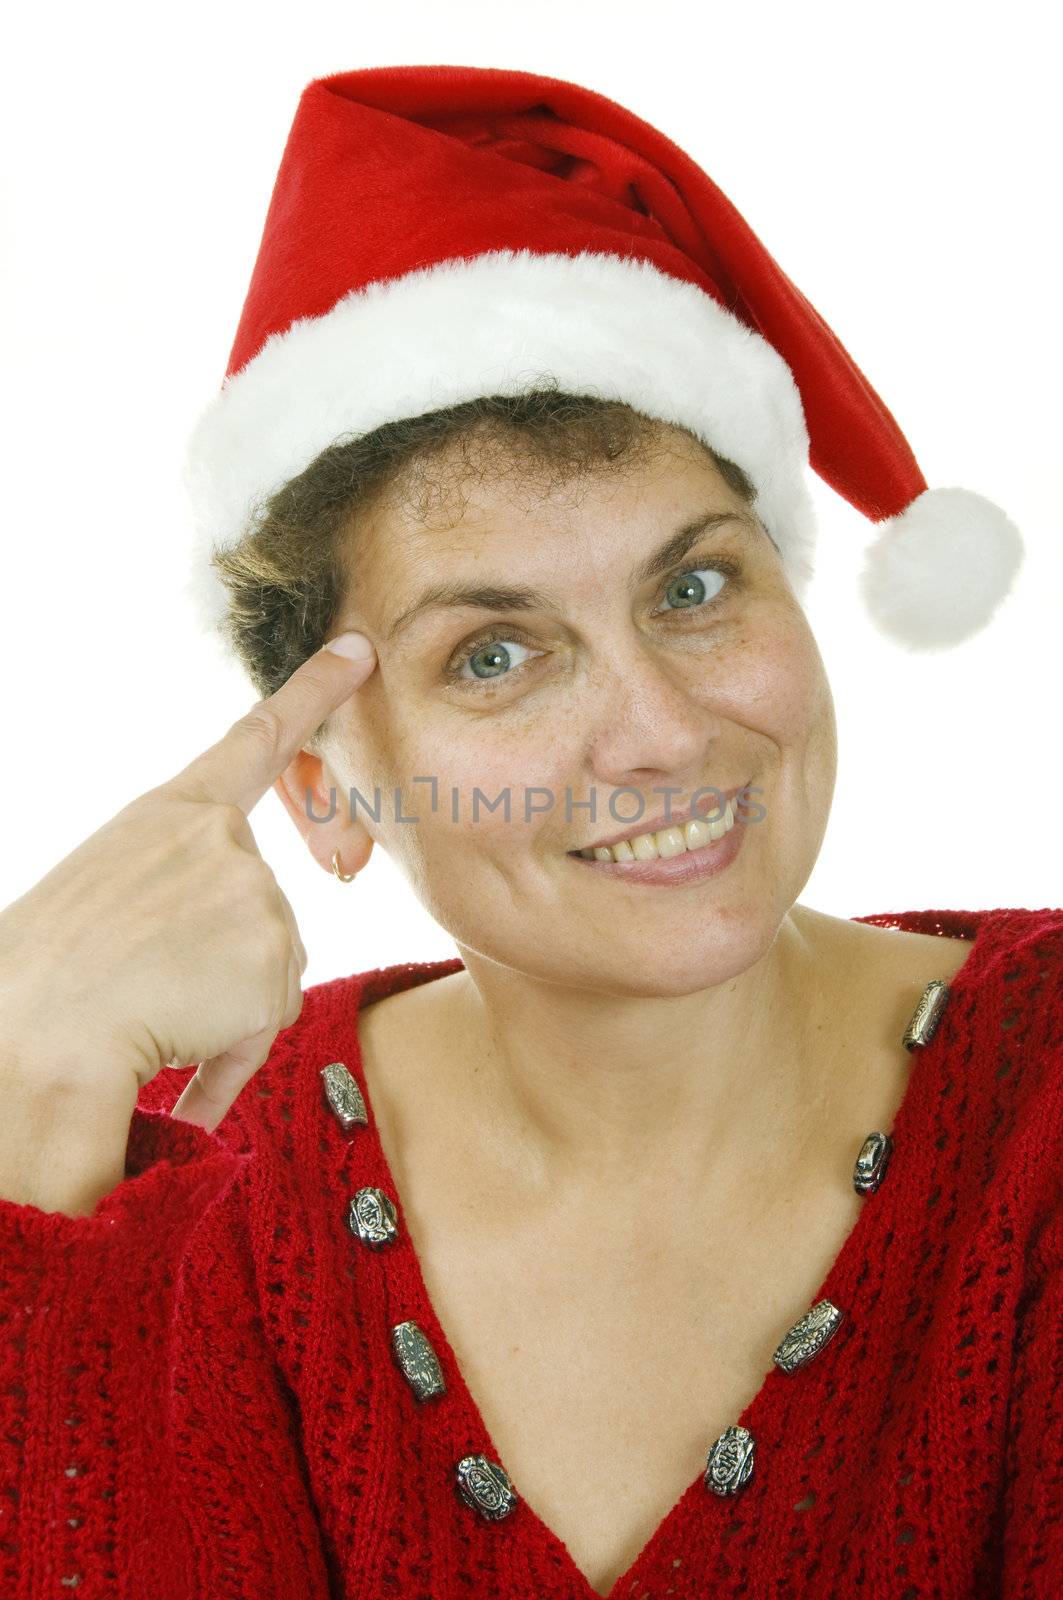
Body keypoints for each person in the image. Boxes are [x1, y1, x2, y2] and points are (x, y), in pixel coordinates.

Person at [0, 63, 1058, 1600]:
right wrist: (26, 1103)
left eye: (694, 587)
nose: (663, 732)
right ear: (326, 783)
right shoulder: (191, 1191)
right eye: (494, 653)